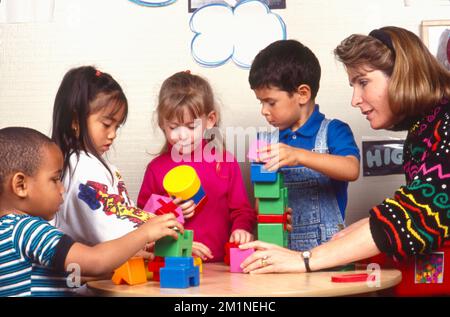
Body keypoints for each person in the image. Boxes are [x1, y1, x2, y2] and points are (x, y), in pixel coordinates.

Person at [240, 26, 450, 274]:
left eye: (363, 82)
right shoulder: (423, 129)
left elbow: (419, 212)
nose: (354, 100)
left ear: (402, 74)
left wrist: (306, 259)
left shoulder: (444, 123)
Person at [0, 127, 183, 296]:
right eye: (55, 179)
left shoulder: (9, 232)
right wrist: (144, 232)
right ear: (20, 185)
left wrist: (119, 261)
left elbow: (68, 276)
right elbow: (95, 262)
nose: (62, 189)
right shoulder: (27, 230)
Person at [248, 39, 360, 252]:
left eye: (270, 102)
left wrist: (298, 155)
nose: (264, 110)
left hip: (328, 251)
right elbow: (259, 202)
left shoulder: (334, 131)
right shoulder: (264, 141)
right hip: (279, 248)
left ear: (302, 94)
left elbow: (351, 169)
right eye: (260, 102)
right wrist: (273, 213)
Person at [137, 71, 257, 262]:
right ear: (162, 123)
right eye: (173, 126)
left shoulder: (225, 163)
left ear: (210, 120)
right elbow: (142, 220)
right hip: (173, 265)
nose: (182, 135)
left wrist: (241, 229)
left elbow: (241, 211)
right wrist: (171, 213)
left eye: (191, 127)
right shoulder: (156, 169)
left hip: (220, 266)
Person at [51, 66, 154, 253]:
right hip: (86, 280)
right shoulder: (82, 168)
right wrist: (158, 233)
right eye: (106, 124)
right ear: (75, 120)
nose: (113, 134)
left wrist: (159, 224)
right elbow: (110, 231)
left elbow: (124, 213)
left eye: (117, 126)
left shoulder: (91, 164)